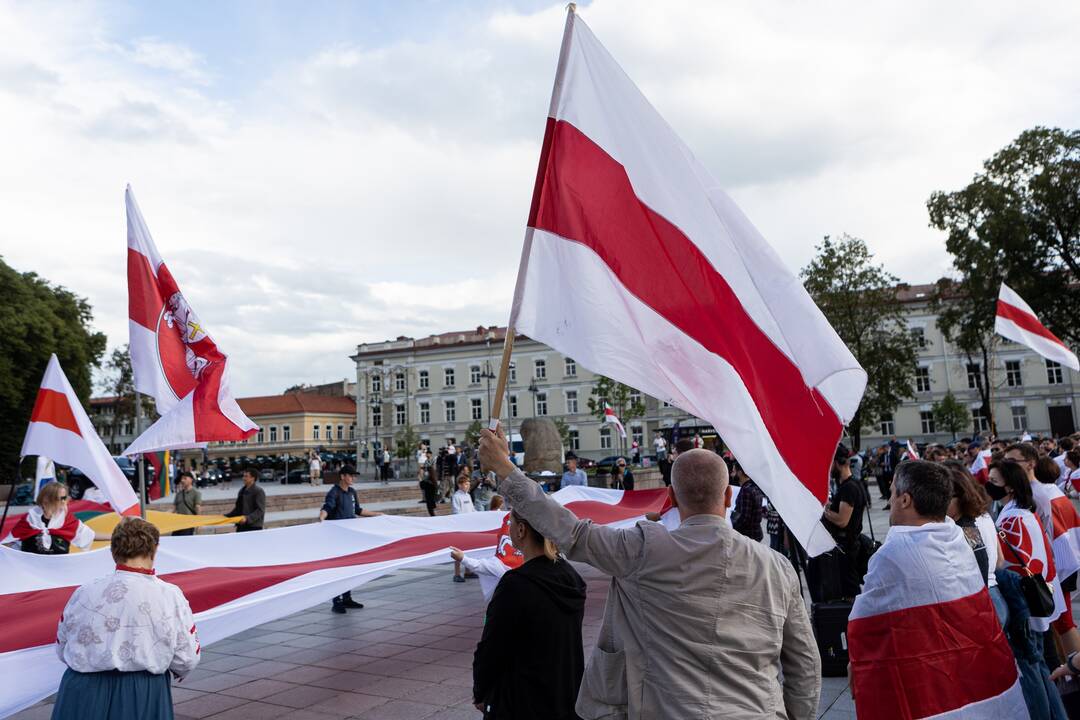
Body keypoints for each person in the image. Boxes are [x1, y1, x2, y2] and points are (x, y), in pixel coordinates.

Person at [479, 424, 820, 719]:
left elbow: (572, 532)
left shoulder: (643, 551)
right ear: (728, 495)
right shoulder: (778, 568)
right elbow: (804, 663)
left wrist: (506, 469)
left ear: (671, 496)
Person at [847, 461, 1029, 718]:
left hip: (924, 674)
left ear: (905, 500)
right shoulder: (956, 537)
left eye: (892, 493)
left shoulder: (893, 554)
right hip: (971, 668)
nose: (890, 498)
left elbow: (867, 624)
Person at [52, 517, 200, 720]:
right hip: (140, 692)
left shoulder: (84, 591)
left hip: (81, 690)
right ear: (154, 550)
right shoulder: (169, 595)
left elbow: (62, 645)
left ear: (113, 552)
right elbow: (187, 658)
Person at [472, 508, 586, 720]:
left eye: (511, 523)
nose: (509, 528)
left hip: (523, 700)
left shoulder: (515, 584)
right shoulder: (571, 576)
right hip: (565, 694)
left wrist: (480, 692)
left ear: (522, 530)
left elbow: (491, 648)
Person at [319, 466, 383, 613]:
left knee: (349, 569)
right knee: (338, 570)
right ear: (342, 476)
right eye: (351, 476)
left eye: (354, 476)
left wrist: (377, 514)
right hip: (337, 538)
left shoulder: (352, 492)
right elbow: (327, 508)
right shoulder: (334, 492)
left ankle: (347, 598)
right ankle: (337, 602)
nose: (353, 478)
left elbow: (357, 510)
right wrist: (321, 518)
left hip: (350, 537)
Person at [814, 445, 866, 600]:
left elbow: (842, 520)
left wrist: (823, 511)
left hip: (846, 548)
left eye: (830, 464)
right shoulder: (853, 484)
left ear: (837, 463)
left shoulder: (848, 488)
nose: (829, 469)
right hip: (848, 546)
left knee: (850, 593)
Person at [9, 481, 101, 554]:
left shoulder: (66, 519)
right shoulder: (30, 519)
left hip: (58, 570)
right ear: (46, 500)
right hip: (31, 569)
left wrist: (113, 537)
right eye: (60, 498)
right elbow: (12, 540)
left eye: (65, 498)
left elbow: (89, 534)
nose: (64, 502)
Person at [729, 463, 765, 542]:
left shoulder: (746, 490)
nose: (731, 474)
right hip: (755, 534)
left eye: (733, 471)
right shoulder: (754, 486)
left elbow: (745, 518)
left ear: (740, 473)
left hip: (749, 537)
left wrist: (733, 529)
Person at [452, 475, 477, 582]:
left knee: (469, 549)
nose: (468, 486)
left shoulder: (468, 495)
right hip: (460, 527)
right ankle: (457, 574)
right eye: (465, 484)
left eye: (468, 483)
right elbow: (456, 511)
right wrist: (465, 520)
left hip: (469, 527)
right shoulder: (456, 496)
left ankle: (468, 571)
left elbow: (472, 510)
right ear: (459, 485)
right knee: (458, 551)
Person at [171, 471, 202, 537]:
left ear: (191, 480)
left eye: (185, 478)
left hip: (189, 523)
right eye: (182, 479)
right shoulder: (178, 494)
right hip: (178, 524)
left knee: (185, 542)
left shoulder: (196, 493)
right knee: (174, 541)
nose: (182, 480)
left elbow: (198, 508)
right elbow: (173, 509)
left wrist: (199, 524)